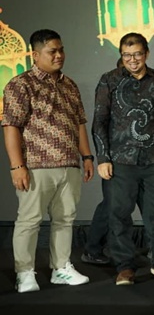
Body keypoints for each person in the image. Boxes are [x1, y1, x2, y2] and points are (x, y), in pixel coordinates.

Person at [2, 29, 94, 292]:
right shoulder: (21, 84)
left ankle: (61, 268)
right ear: (35, 54)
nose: (59, 55)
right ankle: (24, 273)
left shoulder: (69, 85)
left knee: (65, 219)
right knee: (29, 220)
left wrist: (87, 156)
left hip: (69, 165)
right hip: (35, 166)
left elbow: (79, 123)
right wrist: (17, 166)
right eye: (52, 51)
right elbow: (11, 126)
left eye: (61, 50)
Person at [92, 32, 154, 285]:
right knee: (118, 214)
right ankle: (125, 267)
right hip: (120, 160)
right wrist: (103, 157)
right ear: (121, 55)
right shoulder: (109, 80)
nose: (132, 60)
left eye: (137, 54)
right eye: (127, 55)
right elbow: (100, 121)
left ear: (146, 53)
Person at [82, 57, 148, 265]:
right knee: (112, 206)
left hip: (144, 161)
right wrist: (104, 158)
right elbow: (99, 126)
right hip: (116, 161)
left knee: (149, 204)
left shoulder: (146, 94)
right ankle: (94, 250)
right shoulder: (109, 93)